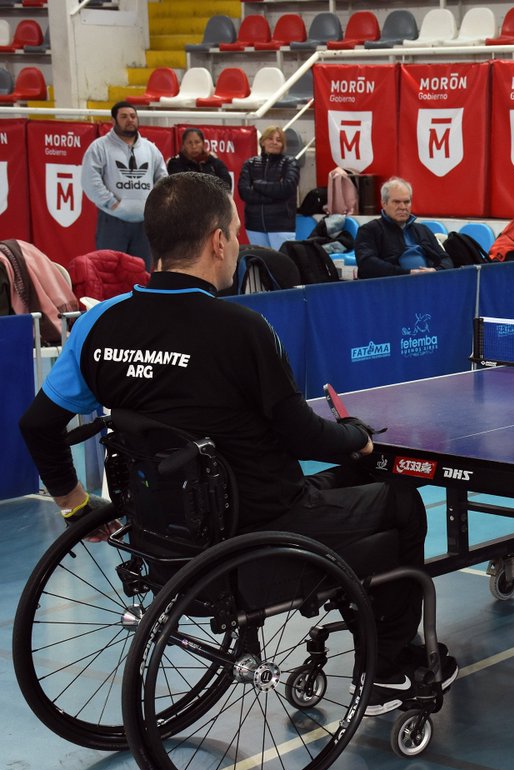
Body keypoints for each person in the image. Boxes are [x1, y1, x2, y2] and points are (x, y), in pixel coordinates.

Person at [17, 172, 454, 717]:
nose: (238, 243)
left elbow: (38, 425)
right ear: (217, 241)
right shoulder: (243, 328)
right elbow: (300, 433)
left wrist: (76, 505)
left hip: (167, 529)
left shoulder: (96, 325)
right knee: (400, 502)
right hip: (265, 522)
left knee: (355, 489)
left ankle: (367, 625)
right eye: (236, 230)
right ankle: (388, 668)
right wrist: (358, 441)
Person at [81, 101, 168, 272]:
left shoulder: (150, 149)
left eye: (133, 116)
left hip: (144, 223)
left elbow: (162, 178)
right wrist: (111, 203)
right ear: (113, 121)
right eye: (124, 116)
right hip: (112, 221)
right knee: (109, 272)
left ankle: (140, 300)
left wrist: (154, 205)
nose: (130, 120)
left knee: (142, 273)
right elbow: (90, 180)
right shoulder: (99, 147)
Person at [354, 177, 453, 278]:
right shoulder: (369, 230)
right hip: (393, 286)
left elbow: (447, 260)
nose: (402, 207)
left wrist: (436, 270)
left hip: (428, 282)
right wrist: (407, 273)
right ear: (384, 204)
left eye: (406, 202)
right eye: (396, 202)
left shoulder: (422, 229)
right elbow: (367, 264)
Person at [238, 126, 299, 250]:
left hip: (281, 226)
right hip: (254, 225)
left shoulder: (290, 162)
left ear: (283, 145)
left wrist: (257, 184)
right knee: (260, 265)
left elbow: (287, 188)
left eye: (279, 140)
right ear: (263, 141)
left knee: (282, 266)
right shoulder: (250, 164)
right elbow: (244, 192)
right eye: (270, 138)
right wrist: (275, 194)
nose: (274, 142)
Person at [166, 128, 232, 189]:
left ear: (203, 143)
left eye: (197, 142)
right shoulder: (175, 164)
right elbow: (179, 186)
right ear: (183, 145)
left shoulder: (213, 161)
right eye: (189, 143)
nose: (194, 146)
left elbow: (227, 184)